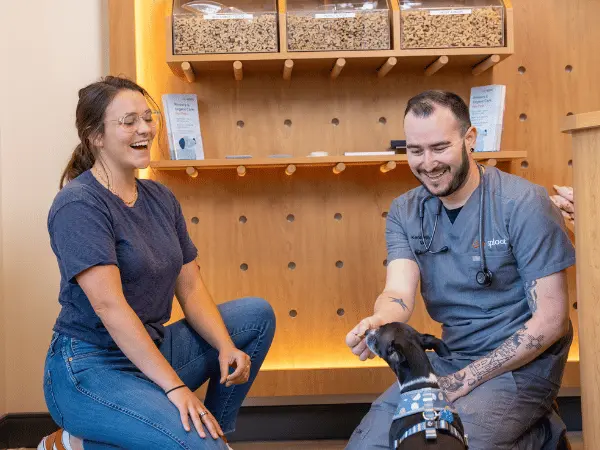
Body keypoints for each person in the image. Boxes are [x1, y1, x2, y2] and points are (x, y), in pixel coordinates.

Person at [38, 76, 276, 450]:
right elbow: (110, 307)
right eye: (128, 121)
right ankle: (72, 443)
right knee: (193, 441)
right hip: (90, 367)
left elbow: (191, 286)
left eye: (148, 117)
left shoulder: (160, 198)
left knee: (255, 316)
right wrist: (177, 388)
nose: (145, 128)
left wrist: (225, 346)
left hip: (150, 350)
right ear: (95, 136)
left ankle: (214, 434)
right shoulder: (79, 204)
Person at [345, 90, 575, 449]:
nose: (427, 163)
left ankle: (540, 434)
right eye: (415, 150)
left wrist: (465, 381)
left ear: (470, 139)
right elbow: (398, 294)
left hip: (524, 368)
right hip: (450, 360)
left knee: (447, 443)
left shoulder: (523, 203)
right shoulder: (406, 211)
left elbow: (551, 321)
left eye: (439, 148)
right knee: (370, 445)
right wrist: (377, 322)